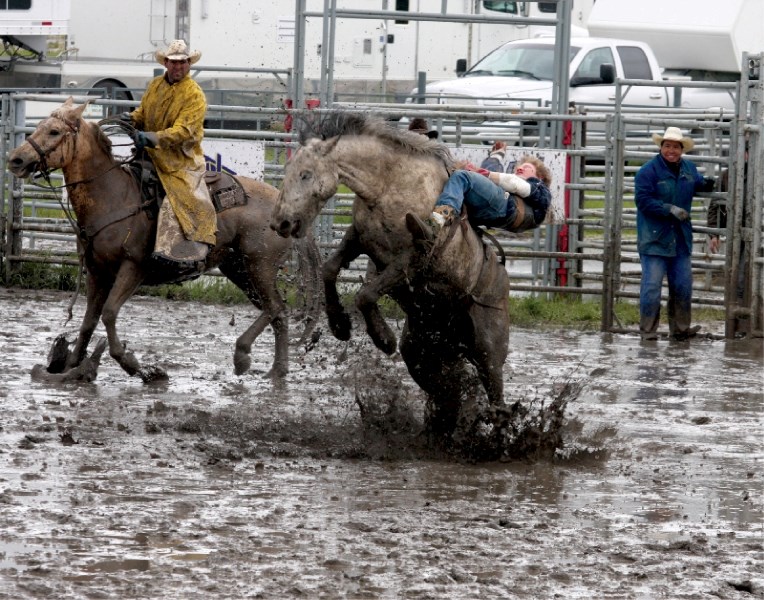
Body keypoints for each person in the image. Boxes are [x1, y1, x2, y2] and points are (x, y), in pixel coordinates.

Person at [121, 39, 216, 269]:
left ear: (189, 64)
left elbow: (184, 131)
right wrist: (132, 119)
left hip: (181, 161)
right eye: (174, 62)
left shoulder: (195, 94)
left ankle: (180, 250)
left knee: (181, 196)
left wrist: (153, 138)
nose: (178, 67)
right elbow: (143, 112)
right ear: (166, 63)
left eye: (183, 62)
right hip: (150, 155)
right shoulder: (155, 85)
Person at [634, 126, 715, 341]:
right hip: (654, 237)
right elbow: (642, 201)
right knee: (652, 286)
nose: (672, 150)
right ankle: (648, 331)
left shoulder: (688, 168)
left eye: (676, 147)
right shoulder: (648, 171)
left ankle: (680, 329)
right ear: (661, 147)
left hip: (679, 237)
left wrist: (712, 182)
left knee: (682, 285)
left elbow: (699, 183)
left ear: (682, 149)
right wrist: (668, 208)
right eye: (667, 146)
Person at [425, 154, 552, 234]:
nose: (521, 168)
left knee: (461, 177)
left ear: (540, 176)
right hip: (494, 216)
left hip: (505, 207)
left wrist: (482, 173)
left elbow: (514, 183)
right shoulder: (533, 208)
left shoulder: (540, 189)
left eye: (527, 167)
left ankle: (435, 223)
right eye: (520, 166)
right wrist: (496, 156)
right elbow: (495, 180)